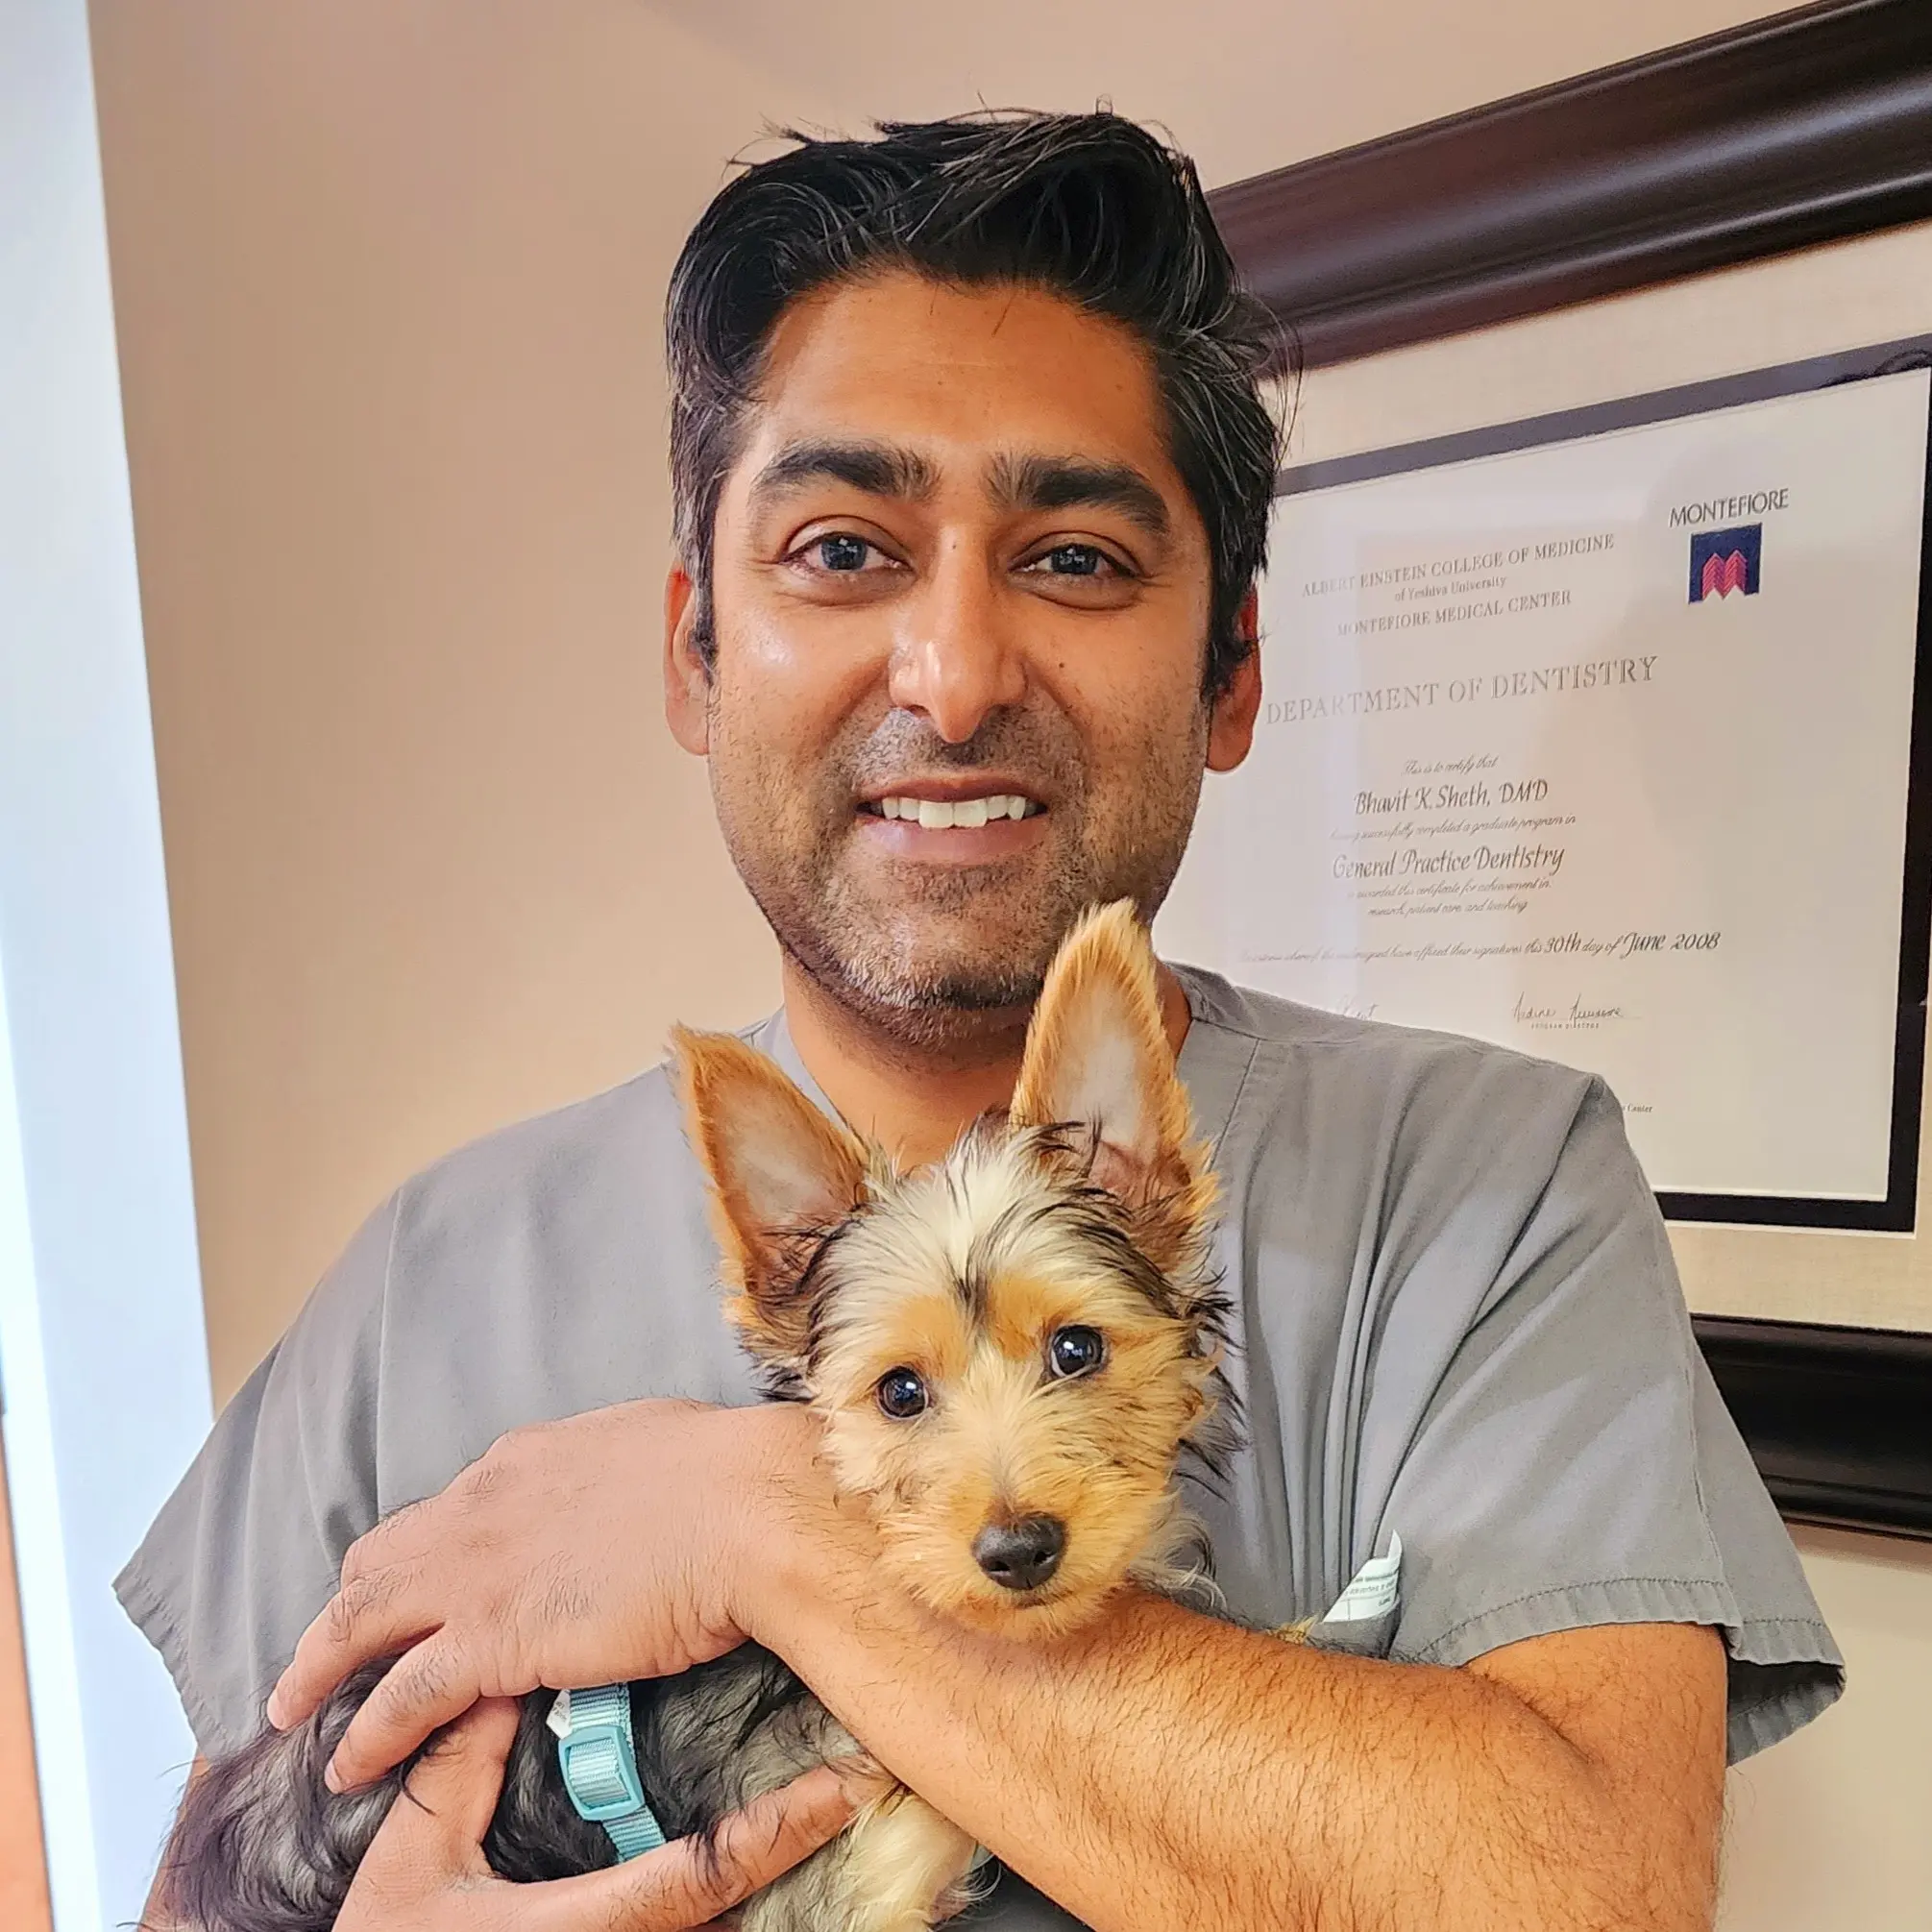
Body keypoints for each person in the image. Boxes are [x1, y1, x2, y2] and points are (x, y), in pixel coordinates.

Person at [122, 111, 1841, 1932]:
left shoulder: (1488, 1187)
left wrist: (762, 1525)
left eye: (1076, 559)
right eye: (845, 549)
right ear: (698, 651)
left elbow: (1580, 1895)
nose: (951, 677)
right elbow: (212, 1880)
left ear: (1231, 668)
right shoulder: (427, 1282)